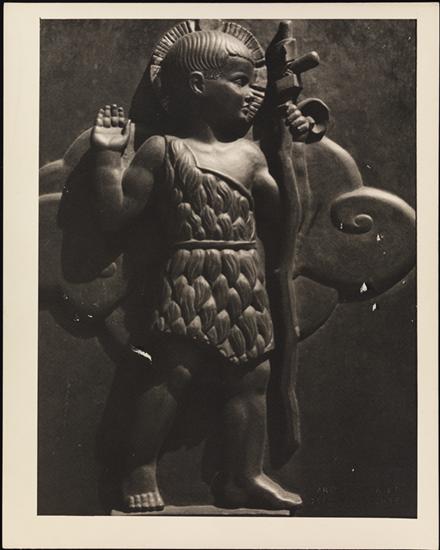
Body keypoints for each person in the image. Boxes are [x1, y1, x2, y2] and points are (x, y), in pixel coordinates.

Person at [91, 25, 310, 513]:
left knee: (252, 377)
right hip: (190, 273)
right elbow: (116, 215)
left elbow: (287, 216)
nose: (251, 94)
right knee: (173, 374)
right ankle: (139, 468)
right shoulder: (163, 149)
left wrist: (295, 148)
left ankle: (243, 476)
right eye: (239, 81)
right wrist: (107, 158)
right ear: (196, 85)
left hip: (243, 274)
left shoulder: (249, 155)